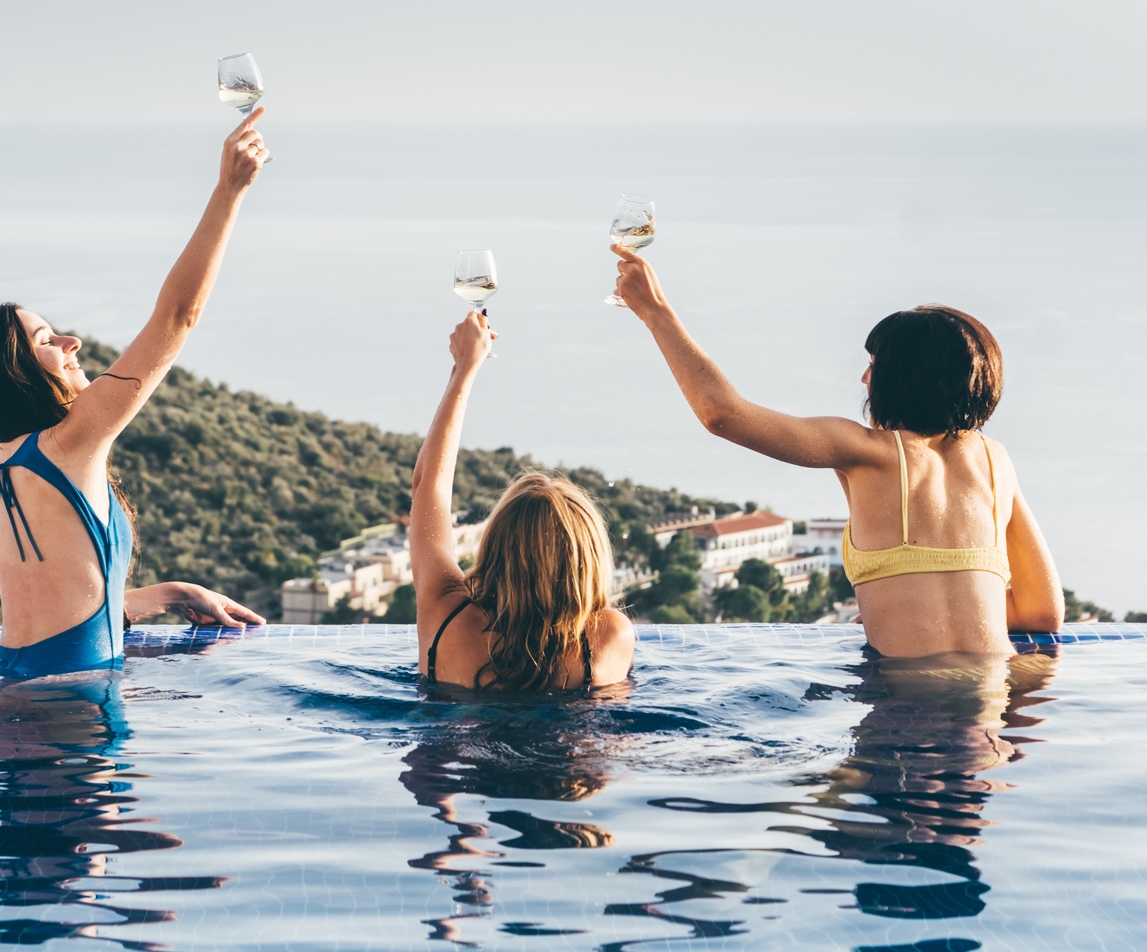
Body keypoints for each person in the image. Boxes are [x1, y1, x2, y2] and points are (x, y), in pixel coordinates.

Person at [609, 247, 1061, 657]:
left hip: (908, 713)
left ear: (902, 379)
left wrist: (655, 312)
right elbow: (1044, 614)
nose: (865, 380)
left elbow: (722, 414)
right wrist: (927, 609)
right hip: (992, 710)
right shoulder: (995, 461)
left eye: (873, 367)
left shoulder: (866, 451)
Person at [0, 116, 269, 683]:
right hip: (73, 713)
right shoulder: (69, 444)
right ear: (16, 373)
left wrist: (173, 592)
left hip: (20, 696)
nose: (72, 343)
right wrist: (229, 191)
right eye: (47, 341)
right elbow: (177, 317)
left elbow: (62, 608)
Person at [408, 311, 636, 692]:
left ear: (499, 544)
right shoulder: (609, 635)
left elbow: (427, 486)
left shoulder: (445, 616)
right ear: (589, 558)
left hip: (460, 750)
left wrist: (464, 368)